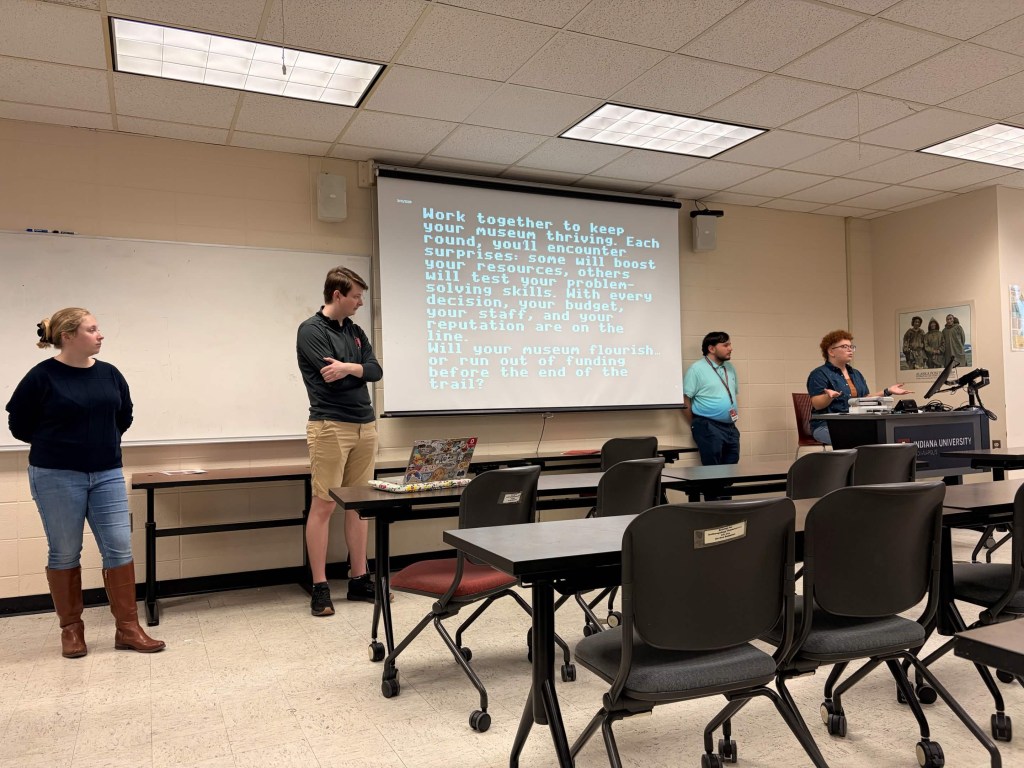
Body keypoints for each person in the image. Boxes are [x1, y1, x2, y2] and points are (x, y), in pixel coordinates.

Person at [5, 308, 165, 658]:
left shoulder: (109, 374)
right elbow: (19, 424)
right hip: (56, 474)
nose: (100, 334)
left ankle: (128, 628)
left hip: (107, 472)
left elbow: (124, 415)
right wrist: (61, 446)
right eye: (92, 329)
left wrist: (100, 445)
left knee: (120, 547)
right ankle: (71, 631)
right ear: (68, 336)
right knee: (64, 551)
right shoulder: (42, 376)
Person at [297, 267, 383, 616]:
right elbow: (332, 383)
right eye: (356, 296)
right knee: (325, 505)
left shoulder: (356, 331)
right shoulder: (311, 331)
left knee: (359, 505)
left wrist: (349, 368)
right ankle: (320, 586)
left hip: (365, 425)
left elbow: (375, 371)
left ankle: (359, 579)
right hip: (331, 426)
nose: (360, 302)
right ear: (337, 295)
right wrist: (355, 372)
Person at [807, 329, 910, 445]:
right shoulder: (819, 374)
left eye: (851, 347)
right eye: (845, 347)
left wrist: (887, 391)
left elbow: (864, 398)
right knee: (856, 440)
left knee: (882, 436)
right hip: (826, 425)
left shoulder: (856, 374)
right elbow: (817, 404)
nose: (850, 350)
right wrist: (829, 396)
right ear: (831, 351)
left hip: (854, 424)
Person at [683, 331, 740, 466]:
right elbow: (685, 399)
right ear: (711, 348)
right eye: (725, 345)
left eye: (730, 344)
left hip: (730, 427)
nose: (730, 348)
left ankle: (724, 488)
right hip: (708, 426)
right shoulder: (697, 369)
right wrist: (695, 423)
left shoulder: (730, 368)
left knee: (732, 467)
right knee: (712, 470)